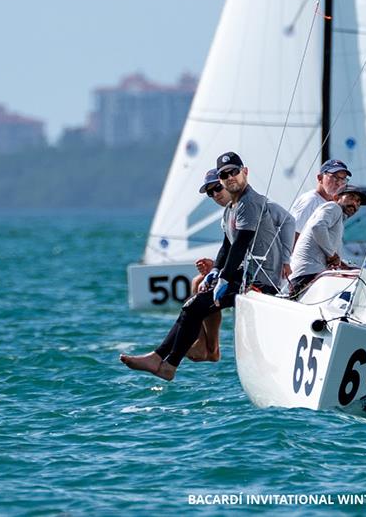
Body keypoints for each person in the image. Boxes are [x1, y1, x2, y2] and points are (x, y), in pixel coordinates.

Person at [120, 152, 294, 381]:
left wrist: (224, 278)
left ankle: (167, 363)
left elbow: (241, 245)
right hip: (246, 277)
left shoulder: (250, 203)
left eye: (233, 172)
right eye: (224, 175)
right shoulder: (232, 208)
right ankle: (165, 360)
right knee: (195, 301)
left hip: (260, 283)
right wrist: (215, 272)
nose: (229, 177)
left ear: (245, 172)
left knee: (194, 307)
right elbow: (226, 247)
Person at [184, 169, 231, 363]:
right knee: (199, 281)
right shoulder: (229, 212)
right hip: (241, 268)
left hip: (260, 275)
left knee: (203, 285)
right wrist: (214, 267)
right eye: (210, 193)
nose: (215, 194)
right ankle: (208, 347)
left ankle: (210, 349)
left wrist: (218, 269)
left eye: (217, 188)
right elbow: (231, 248)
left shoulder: (244, 207)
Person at [288, 185, 366, 296]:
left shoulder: (338, 219)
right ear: (336, 198)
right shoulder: (333, 207)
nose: (355, 204)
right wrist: (331, 255)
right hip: (308, 273)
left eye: (358, 202)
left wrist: (341, 263)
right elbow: (317, 227)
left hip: (310, 273)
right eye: (351, 197)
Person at [289, 159, 352, 244]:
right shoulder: (311, 201)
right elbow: (293, 237)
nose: (339, 183)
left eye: (343, 179)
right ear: (320, 178)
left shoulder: (330, 204)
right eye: (335, 177)